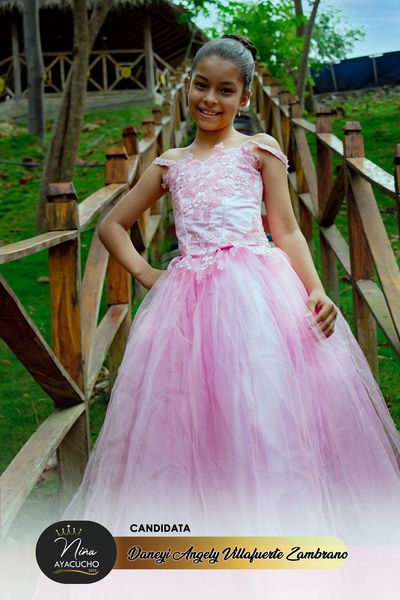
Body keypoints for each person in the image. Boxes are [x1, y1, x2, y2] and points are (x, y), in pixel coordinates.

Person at [27, 33, 400, 600]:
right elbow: (111, 226)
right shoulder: (170, 164)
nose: (210, 99)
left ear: (245, 98)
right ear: (189, 87)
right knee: (193, 425)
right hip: (189, 311)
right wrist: (149, 275)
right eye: (202, 86)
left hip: (259, 301)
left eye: (226, 91)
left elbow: (287, 229)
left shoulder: (260, 150)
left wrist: (315, 289)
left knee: (264, 418)